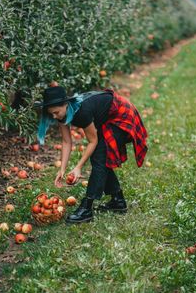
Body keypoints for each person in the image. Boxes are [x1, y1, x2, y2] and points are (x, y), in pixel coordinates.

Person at [36, 86, 148, 224]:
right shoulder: (62, 114)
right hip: (105, 118)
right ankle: (118, 201)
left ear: (66, 104)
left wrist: (78, 167)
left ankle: (87, 208)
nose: (54, 116)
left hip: (121, 114)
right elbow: (66, 141)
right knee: (101, 157)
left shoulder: (82, 111)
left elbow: (92, 141)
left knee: (99, 157)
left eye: (56, 112)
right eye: (51, 113)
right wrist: (62, 169)